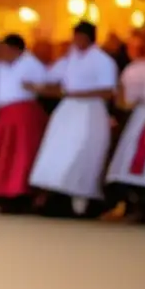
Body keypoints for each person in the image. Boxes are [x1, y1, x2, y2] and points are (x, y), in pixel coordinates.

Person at [27, 21, 117, 217]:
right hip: (68, 112)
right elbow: (51, 80)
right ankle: (56, 197)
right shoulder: (69, 59)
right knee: (59, 152)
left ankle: (81, 203)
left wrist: (77, 94)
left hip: (90, 112)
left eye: (80, 37)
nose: (77, 41)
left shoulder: (102, 60)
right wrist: (37, 86)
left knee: (83, 153)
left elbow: (108, 91)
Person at [0, 34, 49, 211]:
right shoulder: (0, 67)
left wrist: (36, 88)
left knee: (21, 154)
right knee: (3, 154)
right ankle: (0, 193)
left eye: (5, 50)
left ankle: (19, 194)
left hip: (23, 113)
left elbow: (46, 83)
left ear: (15, 50)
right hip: (6, 114)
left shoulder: (31, 64)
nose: (2, 53)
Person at [101, 40, 145, 221]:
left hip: (140, 118)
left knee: (131, 160)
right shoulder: (135, 69)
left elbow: (125, 103)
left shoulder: (135, 70)